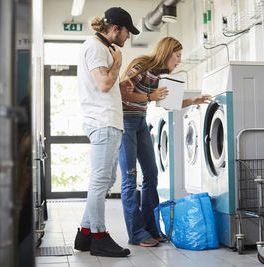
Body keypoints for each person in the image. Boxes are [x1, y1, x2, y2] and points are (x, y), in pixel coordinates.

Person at [118, 37, 212, 247]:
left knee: (151, 175)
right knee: (129, 180)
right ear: (167, 52)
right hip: (126, 123)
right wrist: (150, 97)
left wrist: (193, 100)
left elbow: (169, 104)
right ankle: (136, 234)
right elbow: (122, 92)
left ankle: (151, 229)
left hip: (140, 123)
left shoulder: (160, 76)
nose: (179, 61)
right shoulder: (140, 66)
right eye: (177, 56)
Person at [74, 7, 139, 257]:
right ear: (115, 28)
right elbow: (102, 83)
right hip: (103, 123)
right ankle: (99, 237)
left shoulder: (100, 48)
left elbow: (103, 83)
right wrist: (118, 65)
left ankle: (85, 233)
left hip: (107, 122)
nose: (127, 37)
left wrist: (118, 82)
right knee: (101, 180)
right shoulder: (96, 47)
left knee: (106, 180)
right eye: (126, 32)